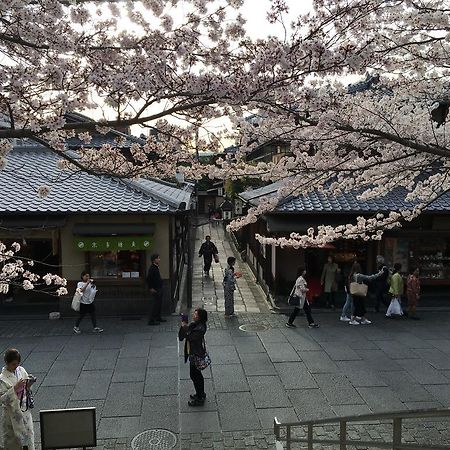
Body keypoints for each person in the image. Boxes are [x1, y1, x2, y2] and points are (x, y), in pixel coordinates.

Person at [0, 348, 35, 450]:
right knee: (13, 442)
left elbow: (26, 390)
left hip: (24, 410)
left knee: (28, 438)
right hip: (11, 414)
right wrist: (15, 389)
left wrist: (29, 384)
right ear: (7, 362)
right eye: (13, 364)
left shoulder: (21, 370)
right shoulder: (2, 379)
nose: (16, 367)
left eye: (17, 364)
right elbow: (1, 399)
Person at [178, 308, 208, 407]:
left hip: (196, 354)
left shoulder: (200, 328)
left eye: (196, 315)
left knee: (195, 375)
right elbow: (182, 337)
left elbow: (190, 337)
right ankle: (200, 393)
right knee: (195, 375)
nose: (193, 316)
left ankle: (200, 397)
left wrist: (185, 327)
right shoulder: (194, 325)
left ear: (200, 317)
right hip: (192, 353)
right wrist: (184, 326)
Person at [147, 253, 166, 326]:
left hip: (159, 287)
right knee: (155, 304)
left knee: (159, 304)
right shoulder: (152, 268)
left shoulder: (156, 267)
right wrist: (151, 288)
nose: (159, 259)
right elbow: (149, 279)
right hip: (155, 288)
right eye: (158, 258)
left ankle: (158, 317)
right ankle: (151, 320)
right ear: (154, 260)